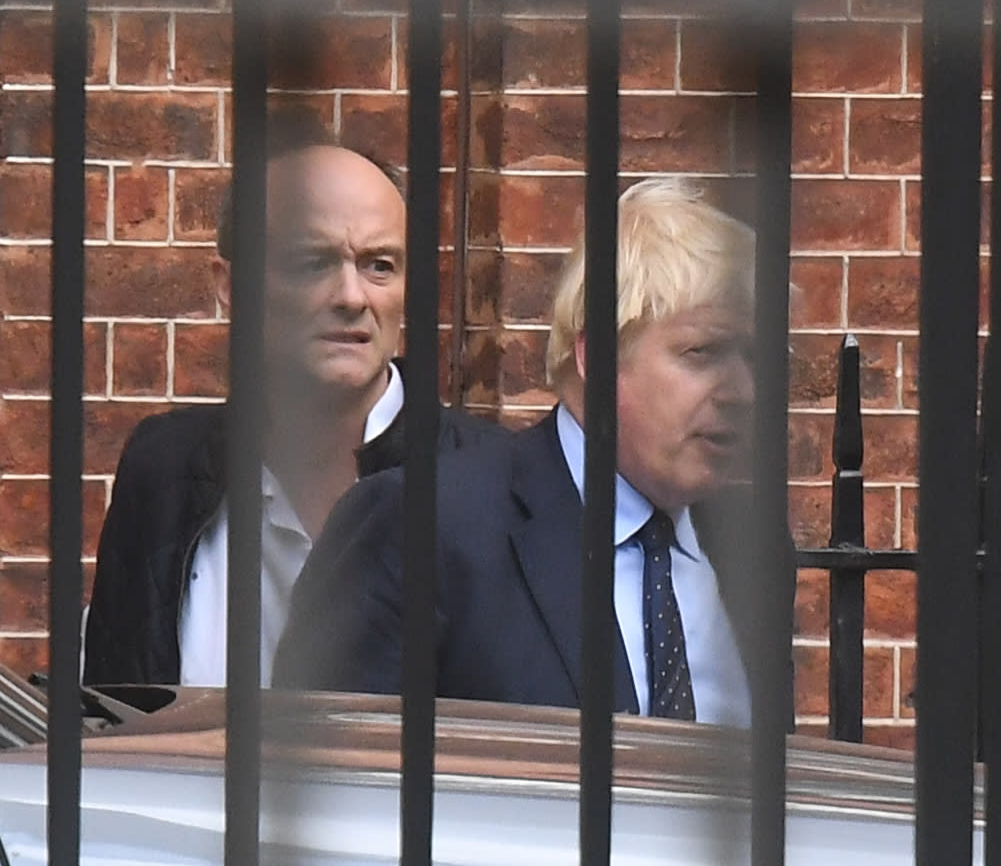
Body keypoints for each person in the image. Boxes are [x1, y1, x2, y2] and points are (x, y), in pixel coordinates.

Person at [273, 177, 795, 726]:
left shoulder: (750, 547)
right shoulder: (422, 525)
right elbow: (329, 781)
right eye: (703, 352)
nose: (742, 391)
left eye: (758, 358)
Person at [82, 135, 500, 688]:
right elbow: (112, 713)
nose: (352, 296)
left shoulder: (491, 487)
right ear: (229, 285)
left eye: (380, 265)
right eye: (313, 263)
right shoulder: (164, 470)